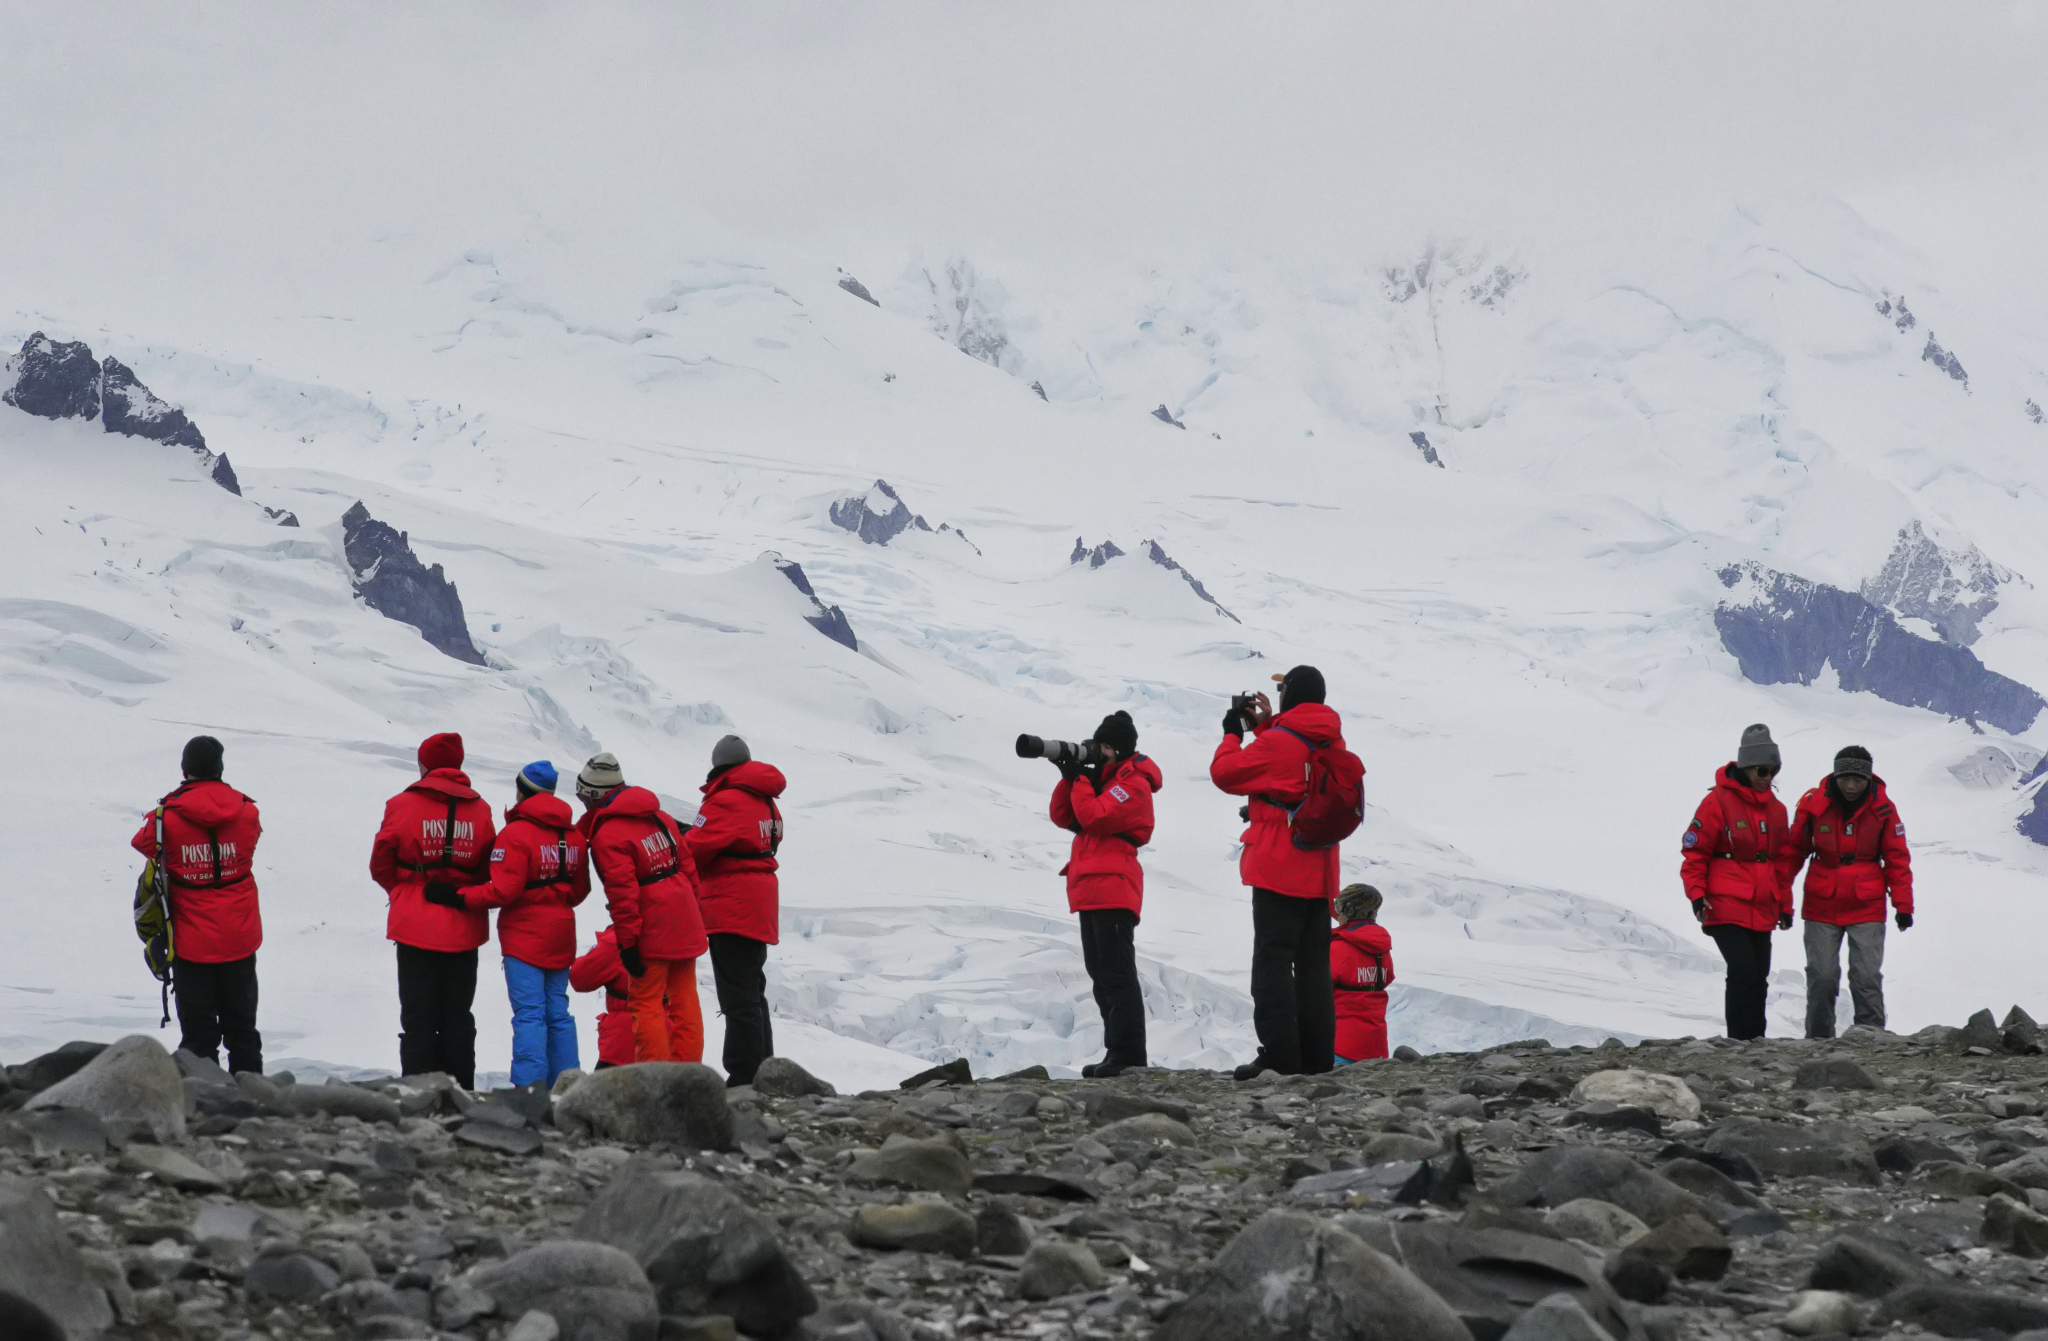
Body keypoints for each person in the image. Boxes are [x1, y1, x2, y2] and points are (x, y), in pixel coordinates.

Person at [1211, 664, 1347, 1079]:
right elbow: (1292, 764)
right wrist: (1268, 727)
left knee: (1271, 965)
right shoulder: (1330, 738)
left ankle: (1281, 1057)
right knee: (1313, 968)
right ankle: (1318, 1058)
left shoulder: (1280, 742)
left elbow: (1226, 774)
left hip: (1278, 867)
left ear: (1291, 694)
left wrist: (1233, 733)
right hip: (1319, 870)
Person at [430, 761, 588, 1087]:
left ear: (522, 790)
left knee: (530, 1013)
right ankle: (568, 1086)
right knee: (558, 1012)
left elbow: (503, 890)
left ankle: (529, 1089)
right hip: (561, 931)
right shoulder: (573, 835)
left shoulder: (516, 832)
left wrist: (458, 896)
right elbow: (580, 889)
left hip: (525, 936)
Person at [130, 735, 265, 1074]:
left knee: (199, 1036)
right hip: (240, 934)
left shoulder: (166, 818)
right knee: (243, 1031)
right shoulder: (247, 811)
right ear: (220, 768)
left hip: (191, 942)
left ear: (185, 769)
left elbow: (143, 843)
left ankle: (202, 1105)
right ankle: (257, 1103)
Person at [371, 732, 497, 1087]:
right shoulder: (482, 809)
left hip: (414, 923)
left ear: (424, 764)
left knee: (417, 1015)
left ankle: (417, 1091)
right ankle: (461, 1091)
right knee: (458, 1014)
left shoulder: (401, 804)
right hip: (463, 925)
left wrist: (403, 890)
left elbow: (381, 861)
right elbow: (490, 866)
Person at [1045, 710, 1162, 1078]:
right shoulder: (1105, 781)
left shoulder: (1133, 784)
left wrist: (1082, 779)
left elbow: (1095, 817)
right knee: (1100, 973)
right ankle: (1117, 1052)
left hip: (1114, 884)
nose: (1101, 751)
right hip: (1092, 886)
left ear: (1121, 749)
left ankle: (1129, 1055)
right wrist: (1071, 777)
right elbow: (1064, 815)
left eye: (1107, 746)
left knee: (1117, 973)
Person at [576, 752, 707, 1063]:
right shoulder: (659, 817)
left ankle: (655, 1079)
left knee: (645, 1002)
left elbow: (623, 892)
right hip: (683, 915)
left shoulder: (608, 833)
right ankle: (689, 1075)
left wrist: (628, 941)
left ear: (593, 795)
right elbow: (687, 867)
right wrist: (697, 913)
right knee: (684, 1000)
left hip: (652, 923)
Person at [1785, 746, 1913, 1038]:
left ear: (1868, 778)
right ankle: (1818, 1041)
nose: (1852, 786)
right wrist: (1782, 900)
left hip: (1866, 902)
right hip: (1821, 902)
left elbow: (1897, 858)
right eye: (1846, 779)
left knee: (1866, 976)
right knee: (1822, 977)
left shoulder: (1884, 809)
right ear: (1836, 775)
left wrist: (1903, 904)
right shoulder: (1813, 805)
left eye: (1858, 779)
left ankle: (1872, 1040)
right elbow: (1793, 853)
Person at [683, 735, 788, 1087]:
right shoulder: (765, 800)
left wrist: (681, 835)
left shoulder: (725, 801)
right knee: (752, 991)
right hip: (759, 903)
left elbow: (694, 851)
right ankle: (765, 1071)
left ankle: (743, 1076)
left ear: (718, 766)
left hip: (732, 905)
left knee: (737, 996)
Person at [1681, 723, 1795, 1041]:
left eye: (1773, 771)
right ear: (1745, 767)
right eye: (1761, 770)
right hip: (1725, 903)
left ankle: (1754, 1042)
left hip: (1762, 905)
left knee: (1758, 976)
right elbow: (1695, 853)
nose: (1767, 777)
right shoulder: (1717, 803)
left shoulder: (1777, 811)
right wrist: (1696, 895)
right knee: (1743, 970)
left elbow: (1781, 863)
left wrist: (1784, 905)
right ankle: (1738, 1041)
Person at [1330, 883, 1394, 1063]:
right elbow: (1387, 977)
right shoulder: (1382, 949)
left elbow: (1313, 990)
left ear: (1346, 910)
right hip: (1375, 1047)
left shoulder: (1336, 947)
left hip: (1339, 1046)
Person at [569, 928, 636, 1069]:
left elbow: (579, 978)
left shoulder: (617, 942)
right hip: (675, 1040)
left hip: (624, 1046)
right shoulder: (675, 935)